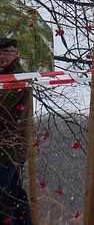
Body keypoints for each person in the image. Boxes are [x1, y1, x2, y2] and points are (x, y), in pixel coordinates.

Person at [0, 37, 33, 225]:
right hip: (13, 147)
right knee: (14, 192)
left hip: (9, 147)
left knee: (3, 195)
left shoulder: (18, 78)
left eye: (7, 52)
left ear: (16, 54)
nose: (2, 57)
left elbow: (3, 109)